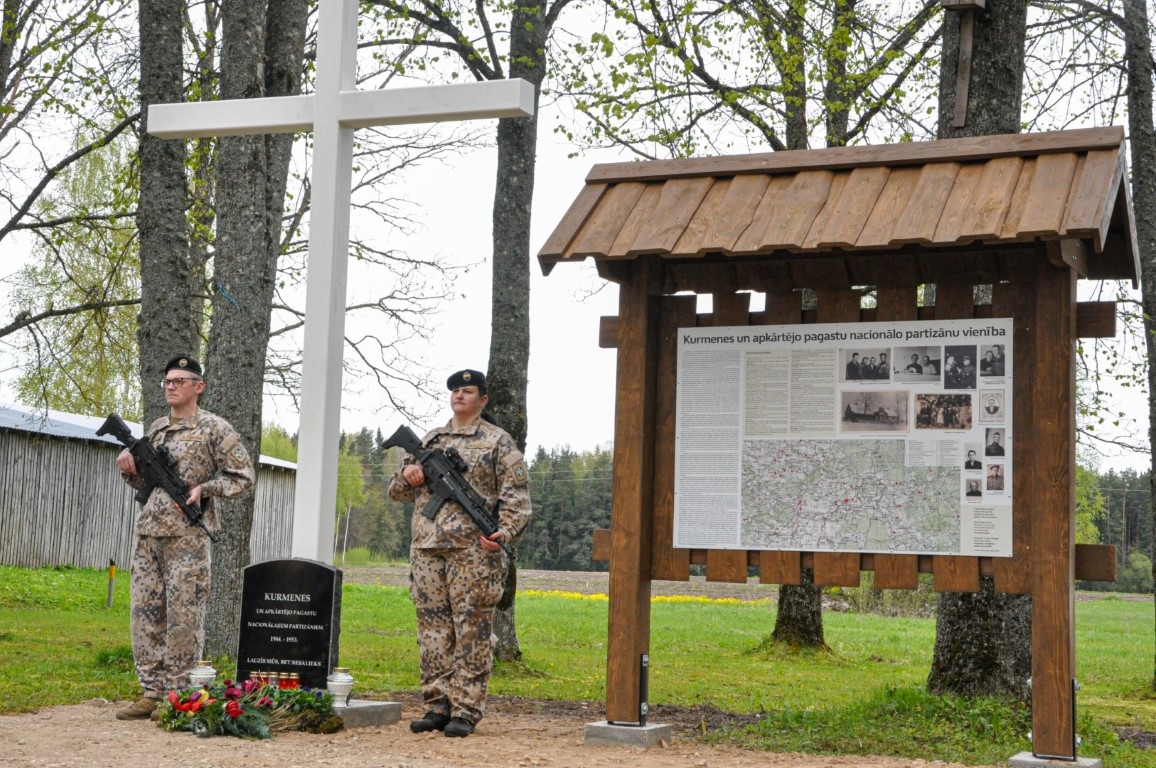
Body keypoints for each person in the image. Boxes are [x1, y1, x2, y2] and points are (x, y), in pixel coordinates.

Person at [388, 369, 532, 738]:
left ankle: (466, 710)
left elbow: (516, 497)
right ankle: (436, 706)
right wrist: (410, 474)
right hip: (426, 549)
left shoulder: (498, 441)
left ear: (483, 400)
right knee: (432, 631)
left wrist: (504, 532)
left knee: (472, 630)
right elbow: (397, 492)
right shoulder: (431, 439)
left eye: (467, 391)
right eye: (455, 390)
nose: (459, 396)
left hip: (474, 552)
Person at [114, 356, 255, 721]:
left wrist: (204, 488)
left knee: (183, 618)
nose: (171, 386)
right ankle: (151, 691)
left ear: (198, 386)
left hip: (187, 540)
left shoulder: (215, 429)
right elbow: (144, 483)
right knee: (144, 615)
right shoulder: (158, 429)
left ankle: (178, 697)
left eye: (180, 380)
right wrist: (128, 466)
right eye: (168, 381)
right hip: (148, 535)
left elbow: (242, 476)